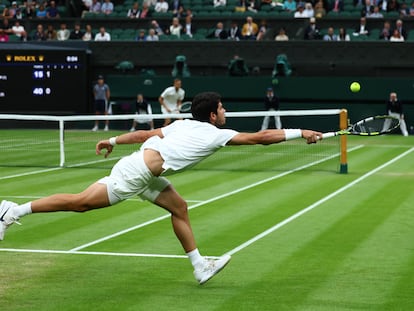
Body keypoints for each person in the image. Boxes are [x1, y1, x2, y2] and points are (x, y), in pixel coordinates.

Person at [0, 91, 323, 285]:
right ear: (212, 114)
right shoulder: (214, 133)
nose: (225, 112)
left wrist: (111, 140)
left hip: (145, 171)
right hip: (136, 174)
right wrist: (302, 131)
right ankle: (12, 210)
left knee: (179, 207)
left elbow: (145, 135)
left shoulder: (182, 124)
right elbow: (260, 139)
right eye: (222, 109)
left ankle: (199, 267)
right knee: (81, 203)